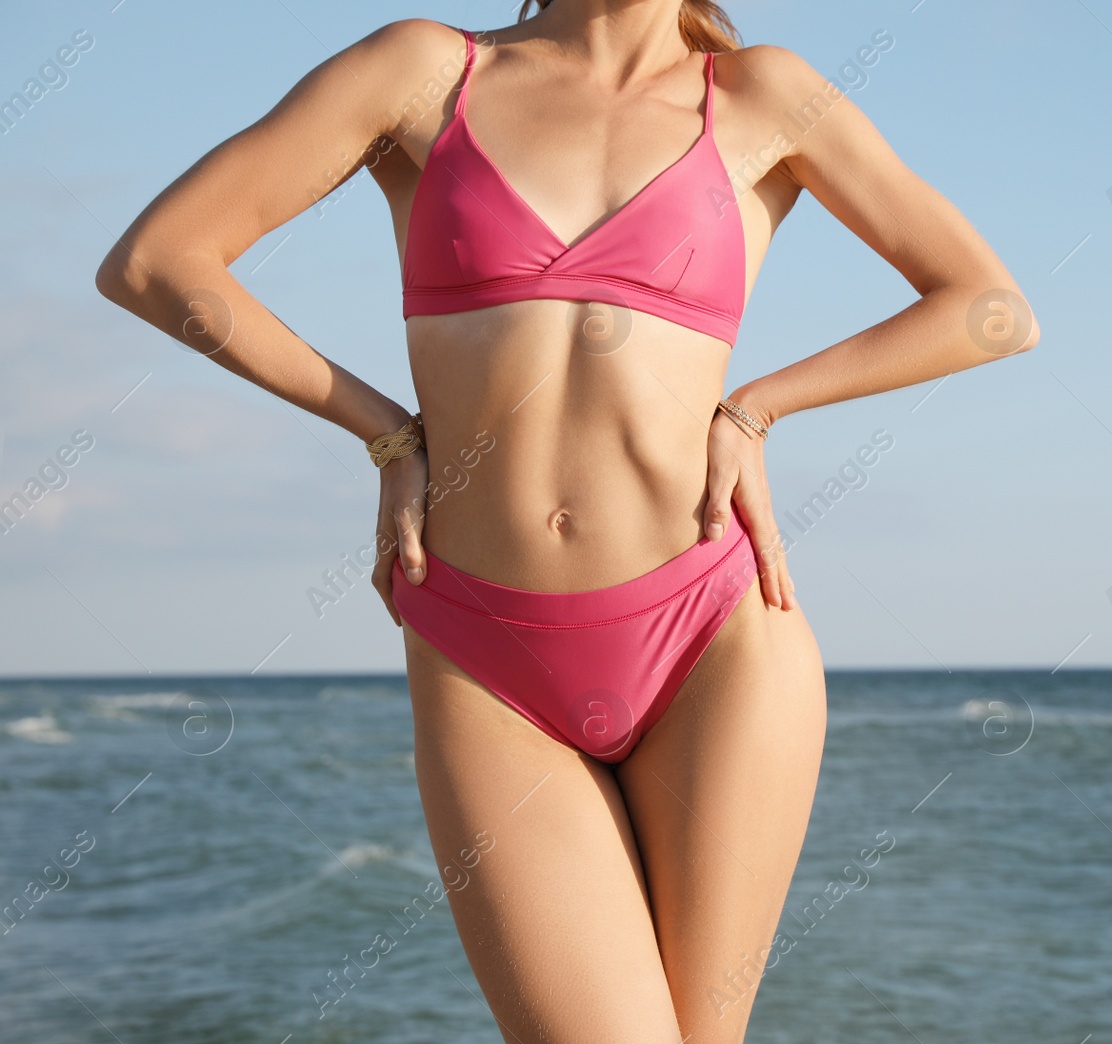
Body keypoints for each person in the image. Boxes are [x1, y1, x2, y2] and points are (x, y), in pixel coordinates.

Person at [94, 1, 1037, 1039]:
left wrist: (757, 408)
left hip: (714, 632)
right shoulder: (426, 72)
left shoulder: (764, 93)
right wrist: (384, 433)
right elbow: (157, 260)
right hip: (483, 652)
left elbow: (989, 307)